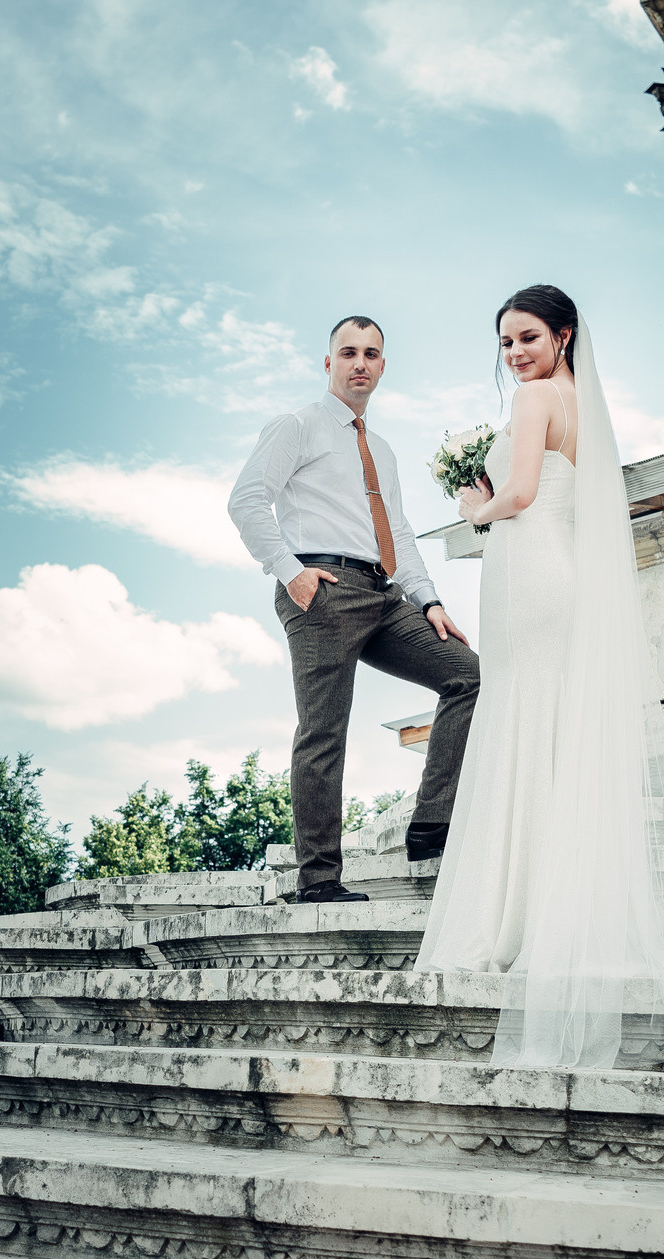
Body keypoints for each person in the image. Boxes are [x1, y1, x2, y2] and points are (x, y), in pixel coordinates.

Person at [413, 286, 664, 1070]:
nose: (516, 353)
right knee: (546, 724)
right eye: (504, 342)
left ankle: (512, 912)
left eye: (527, 336)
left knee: (524, 717)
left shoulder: (534, 398)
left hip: (530, 572)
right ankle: (548, 906)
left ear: (562, 336)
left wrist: (473, 503)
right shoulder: (577, 402)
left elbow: (521, 495)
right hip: (553, 574)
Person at [227, 316, 480, 905]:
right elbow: (246, 501)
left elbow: (399, 531)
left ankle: (431, 822)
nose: (359, 363)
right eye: (348, 352)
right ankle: (318, 882)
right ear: (328, 364)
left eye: (370, 354)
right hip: (323, 589)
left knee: (467, 675)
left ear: (383, 366)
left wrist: (430, 600)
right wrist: (291, 574)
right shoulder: (298, 426)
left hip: (383, 593)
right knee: (323, 733)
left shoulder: (383, 450)